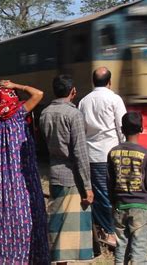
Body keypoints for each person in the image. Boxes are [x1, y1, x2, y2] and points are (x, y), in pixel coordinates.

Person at [0, 80, 49, 264]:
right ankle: (27, 256)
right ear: (14, 98)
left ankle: (2, 255)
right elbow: (38, 93)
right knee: (23, 214)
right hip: (20, 177)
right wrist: (16, 86)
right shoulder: (18, 113)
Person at [40, 75, 95, 263]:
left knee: (57, 223)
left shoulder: (45, 113)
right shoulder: (74, 114)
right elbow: (80, 152)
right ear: (73, 92)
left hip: (55, 174)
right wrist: (87, 186)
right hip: (73, 179)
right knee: (70, 229)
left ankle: (59, 262)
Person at [79, 67, 127, 245]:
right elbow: (122, 127)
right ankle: (111, 231)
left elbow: (81, 130)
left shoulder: (84, 101)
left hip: (93, 155)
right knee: (115, 191)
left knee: (101, 193)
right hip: (113, 152)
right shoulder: (114, 99)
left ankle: (108, 229)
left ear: (93, 82)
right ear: (110, 81)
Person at [107, 112, 147, 264]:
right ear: (141, 128)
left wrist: (113, 202)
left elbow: (109, 181)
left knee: (121, 247)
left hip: (120, 206)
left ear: (121, 129)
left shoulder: (112, 152)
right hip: (141, 207)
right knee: (139, 249)